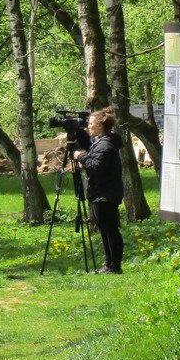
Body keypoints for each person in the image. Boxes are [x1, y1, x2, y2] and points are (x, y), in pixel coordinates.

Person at [75, 107, 125, 274]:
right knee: (104, 230)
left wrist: (80, 157)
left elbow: (95, 167)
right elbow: (89, 146)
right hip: (101, 192)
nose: (88, 127)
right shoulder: (101, 141)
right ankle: (109, 264)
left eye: (90, 124)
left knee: (110, 230)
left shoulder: (105, 145)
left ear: (100, 126)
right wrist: (76, 132)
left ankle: (115, 266)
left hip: (106, 193)